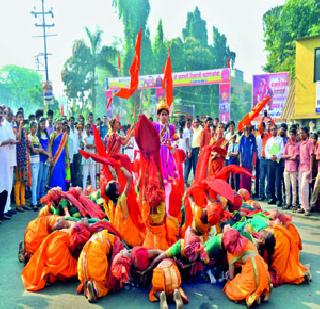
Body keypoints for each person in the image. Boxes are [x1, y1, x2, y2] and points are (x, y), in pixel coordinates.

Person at [223, 228, 271, 307]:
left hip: (251, 271)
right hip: (262, 267)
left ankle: (251, 297)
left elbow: (231, 272)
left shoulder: (231, 250)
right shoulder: (247, 240)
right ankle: (263, 291)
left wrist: (231, 281)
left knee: (230, 289)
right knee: (257, 282)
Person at [152, 102, 179, 212]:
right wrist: (162, 132)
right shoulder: (155, 125)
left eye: (166, 115)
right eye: (162, 114)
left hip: (168, 156)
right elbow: (154, 141)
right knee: (158, 183)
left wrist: (173, 147)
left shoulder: (171, 127)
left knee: (168, 185)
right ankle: (156, 208)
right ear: (158, 116)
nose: (164, 116)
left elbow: (174, 140)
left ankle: (166, 209)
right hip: (158, 155)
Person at [0, 105, 14, 221]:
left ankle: (3, 211)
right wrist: (5, 141)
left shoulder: (4, 126)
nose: (2, 116)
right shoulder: (3, 126)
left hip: (6, 160)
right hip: (1, 160)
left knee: (6, 186)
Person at [15, 111, 31, 212]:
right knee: (18, 181)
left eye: (22, 117)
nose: (21, 119)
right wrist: (20, 127)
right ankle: (17, 203)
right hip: (17, 157)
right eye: (19, 117)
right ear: (16, 118)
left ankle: (23, 202)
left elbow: (25, 142)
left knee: (24, 181)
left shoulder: (25, 129)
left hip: (24, 157)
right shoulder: (15, 128)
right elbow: (18, 138)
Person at [265, 125, 284, 206]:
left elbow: (282, 150)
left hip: (278, 162)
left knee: (278, 182)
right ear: (270, 131)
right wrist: (270, 156)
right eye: (271, 130)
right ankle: (272, 197)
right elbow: (266, 151)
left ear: (277, 130)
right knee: (270, 180)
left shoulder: (280, 140)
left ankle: (279, 199)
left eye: (274, 129)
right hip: (270, 162)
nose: (273, 131)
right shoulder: (269, 140)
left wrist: (276, 156)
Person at [297, 126, 314, 216]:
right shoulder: (300, 143)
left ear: (307, 133)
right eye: (300, 133)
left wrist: (310, 170)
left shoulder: (309, 143)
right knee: (300, 188)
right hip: (300, 168)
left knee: (304, 188)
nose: (300, 134)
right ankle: (302, 206)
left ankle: (307, 208)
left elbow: (312, 156)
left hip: (307, 168)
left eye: (302, 132)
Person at [49, 119, 69, 191]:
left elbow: (66, 148)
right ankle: (53, 191)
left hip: (62, 157)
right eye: (57, 123)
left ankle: (62, 191)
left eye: (60, 124)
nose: (59, 125)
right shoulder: (53, 134)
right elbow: (50, 145)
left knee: (61, 172)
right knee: (54, 172)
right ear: (55, 125)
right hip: (54, 157)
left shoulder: (65, 135)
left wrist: (67, 160)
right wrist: (50, 156)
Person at [282, 129, 299, 210]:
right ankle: (287, 203)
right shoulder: (287, 144)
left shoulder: (297, 145)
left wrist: (289, 156)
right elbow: (282, 156)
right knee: (287, 187)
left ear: (295, 135)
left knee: (294, 188)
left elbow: (296, 157)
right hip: (286, 168)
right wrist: (290, 156)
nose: (291, 136)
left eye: (293, 135)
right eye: (290, 134)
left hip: (294, 169)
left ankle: (294, 204)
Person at [256, 121, 272, 201]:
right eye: (267, 125)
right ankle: (261, 195)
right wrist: (262, 120)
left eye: (270, 125)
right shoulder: (263, 135)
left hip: (269, 159)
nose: (269, 126)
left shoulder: (272, 136)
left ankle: (268, 195)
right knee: (261, 178)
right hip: (262, 158)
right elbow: (259, 128)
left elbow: (274, 148)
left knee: (269, 178)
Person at [239, 125, 257, 193]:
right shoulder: (242, 138)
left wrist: (253, 161)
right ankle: (242, 192)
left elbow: (254, 150)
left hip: (250, 161)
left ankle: (248, 192)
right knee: (243, 177)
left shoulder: (252, 137)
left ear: (250, 131)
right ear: (244, 131)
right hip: (243, 160)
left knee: (248, 177)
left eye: (248, 130)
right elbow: (240, 151)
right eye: (245, 130)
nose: (247, 132)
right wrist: (240, 162)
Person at [37, 118, 51, 202]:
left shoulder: (46, 134)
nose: (43, 125)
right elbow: (40, 149)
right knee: (39, 178)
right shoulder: (37, 135)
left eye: (44, 124)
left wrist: (50, 156)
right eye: (41, 124)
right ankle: (38, 196)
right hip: (40, 159)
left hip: (47, 159)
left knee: (44, 178)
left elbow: (49, 146)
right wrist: (47, 154)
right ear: (39, 124)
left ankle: (42, 195)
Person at [82, 123, 96, 190]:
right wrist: (92, 146)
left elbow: (95, 146)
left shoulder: (93, 137)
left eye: (88, 128)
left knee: (92, 175)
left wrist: (91, 146)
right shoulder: (84, 137)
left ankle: (94, 190)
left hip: (92, 157)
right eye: (86, 128)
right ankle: (84, 190)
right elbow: (86, 145)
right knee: (85, 175)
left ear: (90, 128)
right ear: (85, 129)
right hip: (86, 158)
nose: (88, 129)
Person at [183, 119, 193, 186]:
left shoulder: (191, 130)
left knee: (189, 166)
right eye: (187, 123)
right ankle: (185, 181)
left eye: (189, 123)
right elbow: (186, 142)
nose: (188, 124)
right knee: (187, 166)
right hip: (187, 151)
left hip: (190, 150)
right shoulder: (186, 130)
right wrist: (189, 151)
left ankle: (185, 180)